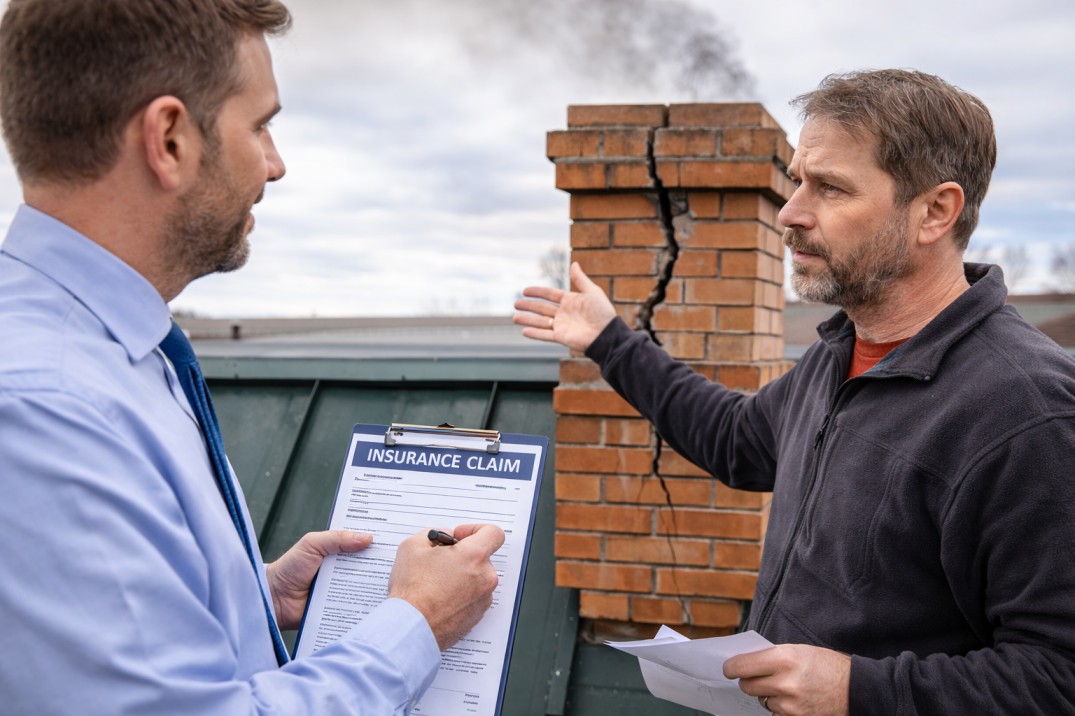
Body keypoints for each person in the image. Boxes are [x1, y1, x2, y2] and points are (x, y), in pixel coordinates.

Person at [515, 69, 1075, 715]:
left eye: (829, 188)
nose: (790, 213)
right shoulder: (841, 354)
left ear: (934, 212)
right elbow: (736, 442)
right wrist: (611, 341)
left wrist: (858, 690)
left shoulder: (1030, 413)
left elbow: (1057, 675)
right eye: (796, 181)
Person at [0, 1, 503, 713]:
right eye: (261, 124)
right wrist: (416, 623)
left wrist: (247, 593)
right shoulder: (44, 407)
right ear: (169, 139)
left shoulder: (106, 356)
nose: (275, 164)